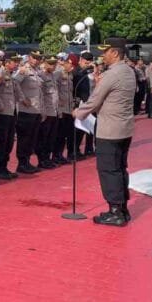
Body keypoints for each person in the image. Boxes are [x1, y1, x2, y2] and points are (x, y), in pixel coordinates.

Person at [73, 38, 137, 227]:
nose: (103, 55)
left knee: (108, 170)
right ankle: (123, 209)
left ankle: (115, 211)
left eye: (106, 51)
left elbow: (94, 101)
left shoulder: (112, 74)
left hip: (109, 130)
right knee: (119, 168)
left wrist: (78, 112)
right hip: (124, 128)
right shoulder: (128, 71)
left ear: (115, 53)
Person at [13, 50, 44, 174]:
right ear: (30, 58)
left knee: (32, 138)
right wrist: (22, 98)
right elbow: (14, 82)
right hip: (26, 110)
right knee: (24, 138)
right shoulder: (24, 70)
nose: (36, 60)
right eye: (34, 57)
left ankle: (27, 161)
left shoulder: (37, 72)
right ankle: (22, 163)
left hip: (36, 110)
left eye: (38, 58)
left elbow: (40, 92)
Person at [0, 53, 19, 180]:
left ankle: (4, 167)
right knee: (2, 142)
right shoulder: (0, 73)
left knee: (8, 142)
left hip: (11, 112)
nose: (17, 63)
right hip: (3, 113)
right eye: (14, 61)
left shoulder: (10, 75)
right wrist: (0, 104)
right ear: (7, 62)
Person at [36, 55, 60, 169]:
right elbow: (40, 95)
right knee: (44, 137)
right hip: (46, 110)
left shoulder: (53, 75)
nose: (53, 65)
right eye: (50, 63)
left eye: (54, 63)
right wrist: (42, 110)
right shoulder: (41, 75)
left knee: (52, 137)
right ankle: (42, 159)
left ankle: (48, 158)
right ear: (44, 63)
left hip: (54, 110)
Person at [54, 53, 75, 165]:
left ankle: (60, 154)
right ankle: (56, 155)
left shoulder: (69, 74)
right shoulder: (57, 73)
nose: (70, 66)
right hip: (61, 108)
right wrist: (58, 106)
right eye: (68, 63)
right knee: (59, 134)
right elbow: (55, 91)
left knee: (65, 134)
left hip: (68, 108)